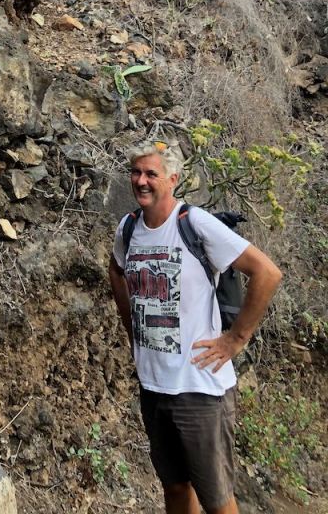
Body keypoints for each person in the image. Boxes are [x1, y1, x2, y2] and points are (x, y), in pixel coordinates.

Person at [108, 140, 282, 514]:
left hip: (200, 389)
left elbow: (266, 273)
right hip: (154, 386)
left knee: (217, 501)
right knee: (173, 488)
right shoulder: (128, 227)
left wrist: (236, 339)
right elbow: (116, 269)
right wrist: (131, 327)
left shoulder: (194, 224)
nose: (141, 181)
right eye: (136, 172)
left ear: (172, 179)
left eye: (151, 174)